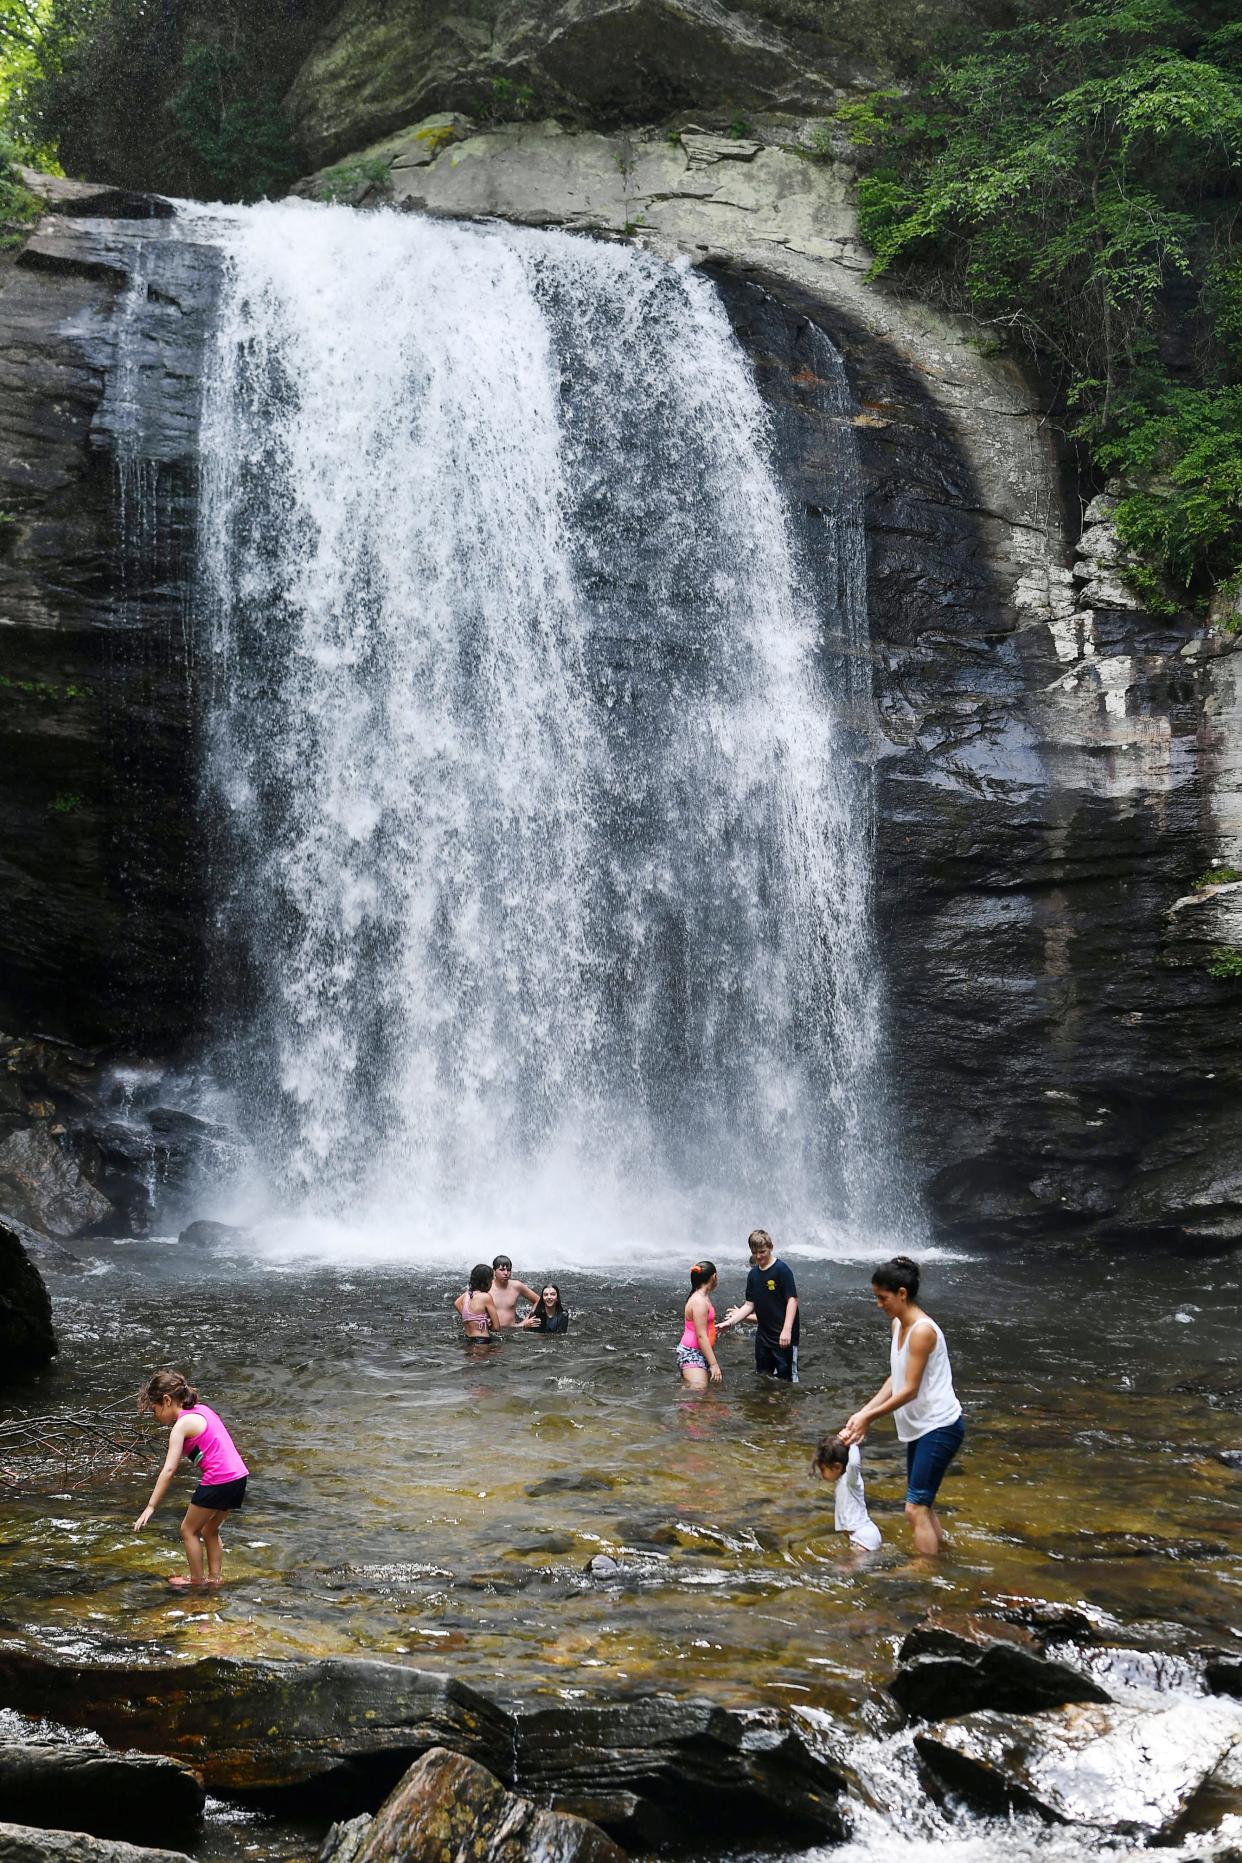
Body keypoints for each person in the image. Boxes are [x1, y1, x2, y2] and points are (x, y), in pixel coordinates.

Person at [841, 1254, 964, 1556]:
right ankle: (944, 1555)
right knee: (922, 1504)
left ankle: (926, 1569)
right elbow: (895, 1378)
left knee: (914, 1508)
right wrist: (863, 1411)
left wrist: (869, 1418)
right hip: (923, 1428)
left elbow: (909, 1390)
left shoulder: (922, 1331)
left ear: (902, 1294)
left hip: (939, 1426)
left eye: (882, 1298)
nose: (878, 1304)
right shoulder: (899, 1324)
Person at [133, 1369, 249, 1587]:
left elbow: (169, 1470)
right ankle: (214, 1579)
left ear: (167, 1400)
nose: (155, 1416)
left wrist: (150, 1506)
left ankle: (196, 1582)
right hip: (238, 1477)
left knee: (188, 1530)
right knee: (210, 1529)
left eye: (154, 1409)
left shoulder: (181, 1426)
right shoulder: (203, 1410)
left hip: (219, 1480)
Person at [718, 1229, 800, 1382]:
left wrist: (787, 1330)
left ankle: (786, 1406)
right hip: (763, 1336)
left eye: (762, 1251)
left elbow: (792, 1300)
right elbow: (749, 1305)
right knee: (763, 1377)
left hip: (783, 1335)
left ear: (771, 1247)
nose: (758, 1256)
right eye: (754, 1252)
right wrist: (730, 1322)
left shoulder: (782, 1270)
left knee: (786, 1380)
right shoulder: (753, 1275)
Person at [812, 1431, 881, 1552]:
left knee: (845, 1569)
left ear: (837, 1467)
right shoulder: (843, 1481)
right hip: (860, 1536)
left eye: (823, 1469)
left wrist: (853, 1442)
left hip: (863, 1536)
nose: (821, 1474)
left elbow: (854, 1464)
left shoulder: (850, 1480)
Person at [677, 1260, 723, 1390]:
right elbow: (701, 1335)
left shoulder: (702, 1297)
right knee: (698, 1389)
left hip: (699, 1352)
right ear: (714, 1277)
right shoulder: (699, 1301)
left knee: (705, 1392)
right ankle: (681, 1409)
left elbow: (703, 1325)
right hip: (692, 1353)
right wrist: (714, 1364)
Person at [489, 1255, 539, 1328]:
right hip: (493, 1331)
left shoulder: (516, 1286)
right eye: (502, 1270)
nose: (506, 1273)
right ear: (494, 1271)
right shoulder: (487, 1287)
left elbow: (538, 1300)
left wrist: (525, 1321)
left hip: (513, 1330)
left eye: (509, 1270)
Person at [455, 1263, 500, 1338]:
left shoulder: (466, 1294)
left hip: (467, 1339)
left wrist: (468, 1318)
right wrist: (488, 1324)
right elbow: (496, 1327)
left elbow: (456, 1303)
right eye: (491, 1280)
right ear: (486, 1281)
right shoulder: (486, 1297)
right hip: (482, 1340)